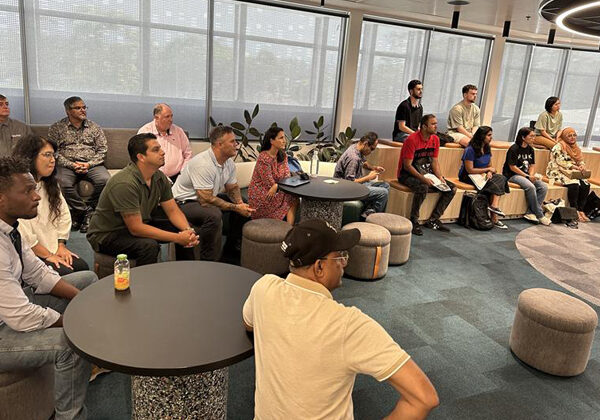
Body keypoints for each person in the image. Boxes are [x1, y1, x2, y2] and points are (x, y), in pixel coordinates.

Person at [242, 219, 439, 419]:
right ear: (319, 267)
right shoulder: (349, 324)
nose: (345, 262)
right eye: (340, 257)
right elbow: (423, 398)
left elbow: (249, 325)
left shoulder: (263, 288)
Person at [0, 156, 97, 420]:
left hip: (12, 308)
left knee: (86, 280)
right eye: (27, 191)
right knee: (70, 344)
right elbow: (20, 316)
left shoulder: (10, 230)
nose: (37, 196)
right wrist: (73, 322)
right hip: (4, 328)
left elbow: (39, 275)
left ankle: (81, 372)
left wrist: (82, 302)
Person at [86, 133, 200, 266]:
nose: (163, 152)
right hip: (108, 234)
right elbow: (136, 228)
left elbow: (173, 210)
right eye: (156, 150)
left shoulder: (158, 176)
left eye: (160, 148)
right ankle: (144, 283)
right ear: (141, 157)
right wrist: (177, 238)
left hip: (139, 221)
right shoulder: (124, 183)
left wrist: (187, 232)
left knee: (184, 229)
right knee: (149, 246)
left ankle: (185, 271)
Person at [13, 135, 90, 275]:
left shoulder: (49, 184)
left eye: (53, 155)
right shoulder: (18, 190)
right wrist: (48, 255)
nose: (53, 160)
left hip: (53, 248)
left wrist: (61, 246)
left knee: (81, 266)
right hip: (28, 254)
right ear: (30, 157)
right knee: (68, 272)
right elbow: (23, 235)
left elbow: (64, 215)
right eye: (47, 155)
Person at [172, 126, 254, 253]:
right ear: (219, 144)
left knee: (243, 203)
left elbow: (232, 188)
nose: (236, 144)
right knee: (214, 215)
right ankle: (208, 256)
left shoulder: (228, 163)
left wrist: (240, 204)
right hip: (184, 202)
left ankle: (231, 249)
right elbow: (206, 200)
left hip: (206, 197)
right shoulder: (203, 164)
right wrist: (236, 207)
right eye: (232, 141)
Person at [48, 96, 110, 233]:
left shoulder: (94, 127)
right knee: (61, 183)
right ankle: (84, 211)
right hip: (67, 165)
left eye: (84, 107)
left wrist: (89, 164)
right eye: (78, 108)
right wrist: (71, 164)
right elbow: (54, 151)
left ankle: (89, 211)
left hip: (92, 165)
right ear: (68, 111)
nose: (83, 110)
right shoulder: (57, 127)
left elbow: (102, 150)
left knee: (105, 180)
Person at [397, 114, 457, 236]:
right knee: (422, 187)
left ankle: (434, 219)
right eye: (433, 124)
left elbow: (434, 161)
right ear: (424, 126)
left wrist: (440, 177)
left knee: (452, 188)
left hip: (427, 173)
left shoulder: (435, 139)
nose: (436, 126)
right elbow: (407, 165)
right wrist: (423, 179)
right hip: (406, 174)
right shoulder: (411, 140)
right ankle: (413, 221)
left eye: (436, 123)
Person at [458, 126, 509, 229]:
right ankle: (494, 215)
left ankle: (494, 207)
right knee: (494, 184)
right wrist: (487, 170)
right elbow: (470, 170)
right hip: (468, 176)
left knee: (501, 178)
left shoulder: (487, 148)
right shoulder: (470, 149)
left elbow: (490, 165)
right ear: (482, 136)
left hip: (482, 175)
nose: (491, 137)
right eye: (489, 135)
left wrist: (489, 171)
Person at [248, 126, 298, 224]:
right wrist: (277, 185)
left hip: (276, 189)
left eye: (284, 138)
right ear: (271, 141)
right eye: (281, 138)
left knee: (294, 197)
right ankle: (288, 229)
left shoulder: (282, 156)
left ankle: (289, 229)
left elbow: (286, 176)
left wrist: (277, 185)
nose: (284, 141)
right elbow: (268, 183)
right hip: (262, 194)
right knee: (292, 197)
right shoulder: (263, 158)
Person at [502, 127, 550, 225]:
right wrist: (527, 177)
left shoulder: (531, 149)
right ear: (523, 137)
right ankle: (540, 215)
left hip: (526, 175)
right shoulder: (514, 148)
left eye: (534, 136)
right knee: (530, 186)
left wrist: (531, 176)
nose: (534, 138)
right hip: (512, 175)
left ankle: (530, 213)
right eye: (531, 136)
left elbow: (532, 165)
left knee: (543, 186)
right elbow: (512, 167)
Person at [334, 131, 388, 218]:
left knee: (385, 185)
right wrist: (368, 177)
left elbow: (364, 161)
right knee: (383, 193)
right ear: (366, 144)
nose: (371, 152)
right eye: (372, 149)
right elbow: (349, 183)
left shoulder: (356, 147)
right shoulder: (353, 158)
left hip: (356, 185)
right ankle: (374, 219)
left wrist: (373, 168)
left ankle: (369, 212)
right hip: (346, 189)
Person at [137, 103, 192, 183]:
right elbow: (141, 159)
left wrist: (183, 174)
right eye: (167, 117)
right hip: (154, 177)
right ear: (156, 117)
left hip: (178, 176)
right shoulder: (144, 132)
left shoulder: (178, 131)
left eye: (171, 116)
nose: (171, 120)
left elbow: (188, 154)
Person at [546, 127, 591, 222]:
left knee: (586, 184)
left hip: (572, 172)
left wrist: (582, 165)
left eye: (574, 135)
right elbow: (560, 161)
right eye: (569, 136)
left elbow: (580, 160)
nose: (572, 137)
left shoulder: (576, 147)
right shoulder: (559, 146)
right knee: (574, 184)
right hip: (557, 171)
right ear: (564, 137)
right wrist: (574, 167)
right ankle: (574, 210)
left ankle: (581, 210)